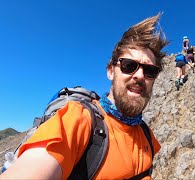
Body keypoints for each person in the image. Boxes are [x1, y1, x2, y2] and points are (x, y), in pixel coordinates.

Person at [0, 13, 168, 179]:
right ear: (111, 71)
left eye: (150, 71)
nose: (139, 75)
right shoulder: (79, 120)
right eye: (129, 65)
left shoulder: (147, 135)